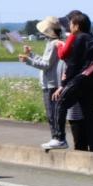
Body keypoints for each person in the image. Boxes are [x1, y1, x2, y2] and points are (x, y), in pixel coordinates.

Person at [55, 10, 93, 152]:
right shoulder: (92, 38)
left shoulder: (80, 38)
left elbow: (74, 64)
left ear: (76, 25)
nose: (69, 27)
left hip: (83, 81)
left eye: (71, 24)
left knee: (60, 104)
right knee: (91, 114)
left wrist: (64, 85)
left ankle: (59, 138)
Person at [20, 16, 67, 149]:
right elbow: (47, 61)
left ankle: (58, 138)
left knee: (52, 113)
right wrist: (31, 54)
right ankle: (56, 138)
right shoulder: (54, 43)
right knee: (52, 113)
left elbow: (46, 64)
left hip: (51, 83)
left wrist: (28, 60)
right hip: (51, 82)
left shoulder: (53, 44)